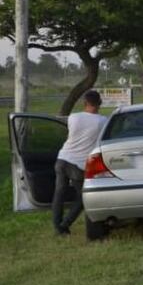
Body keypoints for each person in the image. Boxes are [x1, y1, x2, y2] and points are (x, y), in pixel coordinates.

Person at [53, 89, 108, 235]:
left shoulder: (73, 117)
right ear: (99, 103)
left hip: (62, 158)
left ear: (85, 103)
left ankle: (57, 226)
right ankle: (65, 224)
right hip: (77, 165)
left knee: (59, 194)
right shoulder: (102, 121)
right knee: (83, 198)